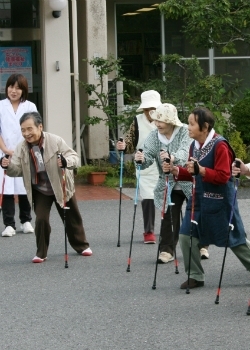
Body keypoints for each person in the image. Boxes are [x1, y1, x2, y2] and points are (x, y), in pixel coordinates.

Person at [168, 107, 250, 288]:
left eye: (191, 124)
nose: (187, 127)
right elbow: (192, 173)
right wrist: (177, 171)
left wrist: (201, 170)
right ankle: (195, 275)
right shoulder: (193, 146)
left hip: (220, 202)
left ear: (204, 127)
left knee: (235, 240)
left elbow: (224, 176)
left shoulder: (220, 145)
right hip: (198, 200)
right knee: (186, 235)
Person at [1, 111, 92, 263]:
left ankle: (81, 246)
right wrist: (7, 165)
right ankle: (41, 252)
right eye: (23, 130)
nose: (26, 133)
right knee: (41, 220)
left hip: (60, 184)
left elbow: (74, 157)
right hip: (40, 189)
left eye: (30, 129)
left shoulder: (55, 140)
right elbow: (15, 169)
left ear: (40, 126)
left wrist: (65, 161)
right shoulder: (22, 148)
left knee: (71, 217)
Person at [134, 103, 193, 263]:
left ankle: (201, 245)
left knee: (195, 214)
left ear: (171, 121)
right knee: (168, 216)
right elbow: (147, 153)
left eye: (161, 121)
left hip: (189, 179)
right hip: (169, 182)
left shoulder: (184, 132)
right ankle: (167, 250)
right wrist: (141, 159)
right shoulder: (154, 136)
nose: (157, 124)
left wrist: (171, 158)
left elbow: (185, 151)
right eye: (156, 120)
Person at [117, 90, 161, 244]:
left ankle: (169, 228)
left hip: (163, 164)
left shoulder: (166, 119)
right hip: (144, 165)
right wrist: (123, 146)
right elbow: (129, 144)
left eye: (154, 109)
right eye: (148, 109)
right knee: (148, 197)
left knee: (167, 197)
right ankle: (149, 231)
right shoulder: (137, 121)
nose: (151, 112)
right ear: (144, 109)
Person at [0, 74, 36, 237]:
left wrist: (24, 149)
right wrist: (6, 150)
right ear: (6, 88)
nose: (13, 91)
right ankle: (9, 224)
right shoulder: (0, 106)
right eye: (11, 87)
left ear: (23, 90)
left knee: (24, 186)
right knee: (6, 187)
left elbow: (35, 130)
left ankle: (26, 220)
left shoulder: (30, 106)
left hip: (25, 152)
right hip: (4, 153)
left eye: (17, 88)